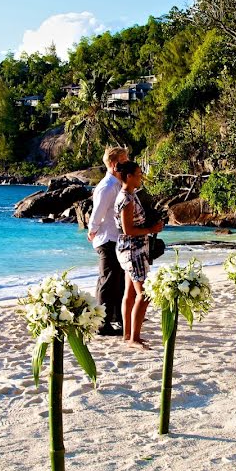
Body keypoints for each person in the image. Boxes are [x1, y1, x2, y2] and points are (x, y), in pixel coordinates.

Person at [114, 161, 164, 348]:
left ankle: (128, 335)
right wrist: (152, 229)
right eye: (138, 173)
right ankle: (133, 337)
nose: (141, 176)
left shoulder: (128, 195)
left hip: (130, 249)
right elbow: (128, 229)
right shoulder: (126, 199)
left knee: (129, 293)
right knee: (144, 294)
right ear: (128, 176)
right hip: (133, 250)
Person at [87, 147, 129, 336]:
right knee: (107, 281)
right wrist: (92, 230)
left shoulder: (117, 183)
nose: (127, 162)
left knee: (116, 280)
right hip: (107, 238)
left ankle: (114, 318)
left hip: (116, 237)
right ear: (114, 164)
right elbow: (98, 213)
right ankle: (101, 324)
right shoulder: (107, 186)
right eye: (124, 160)